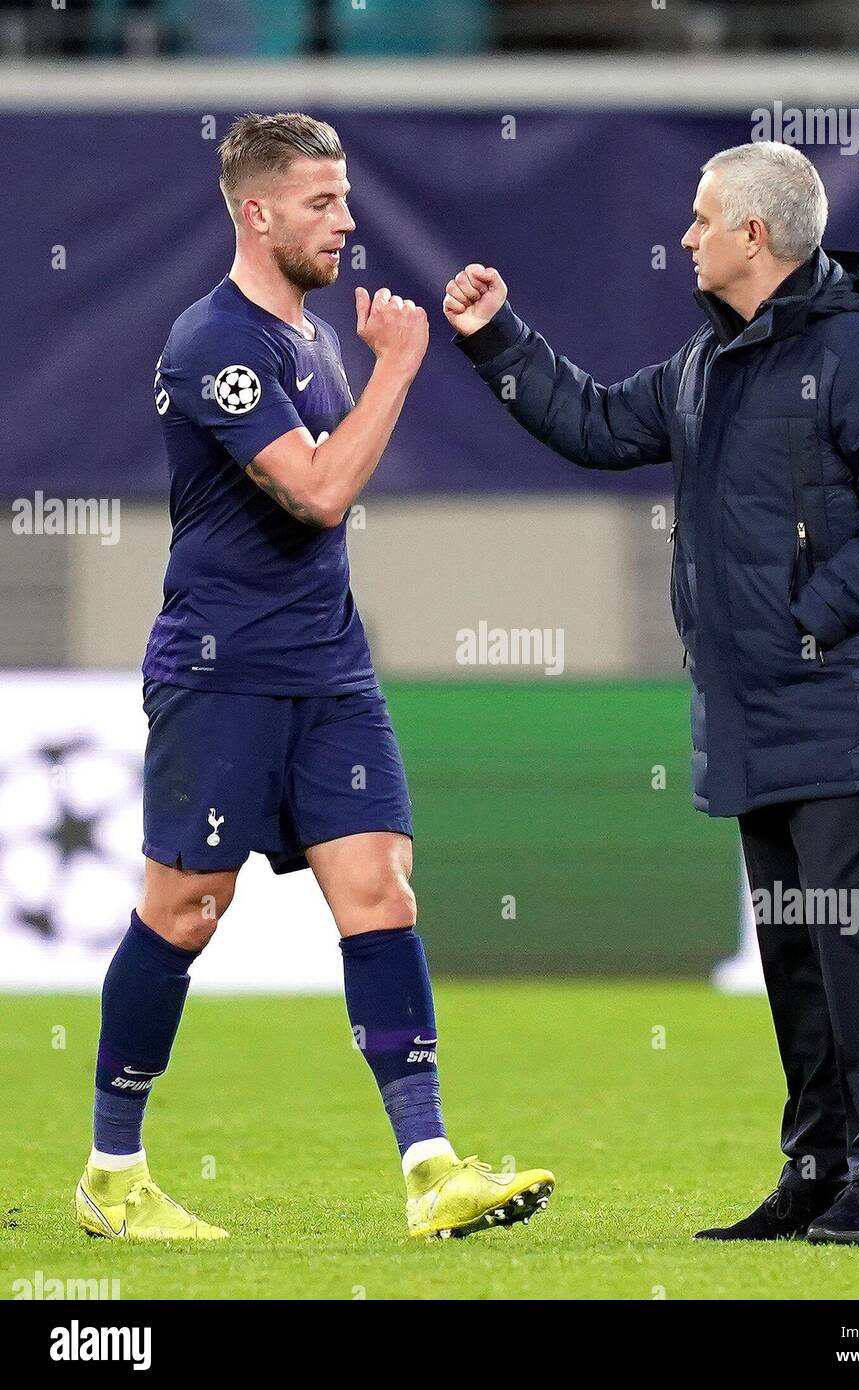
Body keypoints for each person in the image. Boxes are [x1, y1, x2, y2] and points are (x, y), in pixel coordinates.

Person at [444, 140, 859, 1245]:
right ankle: (820, 1170)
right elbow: (592, 424)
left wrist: (813, 616)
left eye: (698, 219)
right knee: (794, 948)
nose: (684, 237)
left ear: (753, 237)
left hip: (831, 700)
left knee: (847, 935)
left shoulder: (857, 352)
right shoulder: (706, 362)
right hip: (752, 710)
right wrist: (497, 340)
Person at [75, 111, 553, 1243]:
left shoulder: (311, 337)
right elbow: (320, 491)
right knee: (186, 908)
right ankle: (112, 1170)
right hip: (223, 664)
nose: (346, 220)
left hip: (328, 664)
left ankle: (431, 1167)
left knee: (381, 891)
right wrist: (399, 367)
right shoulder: (212, 341)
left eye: (345, 198)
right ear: (256, 210)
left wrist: (375, 364)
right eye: (321, 201)